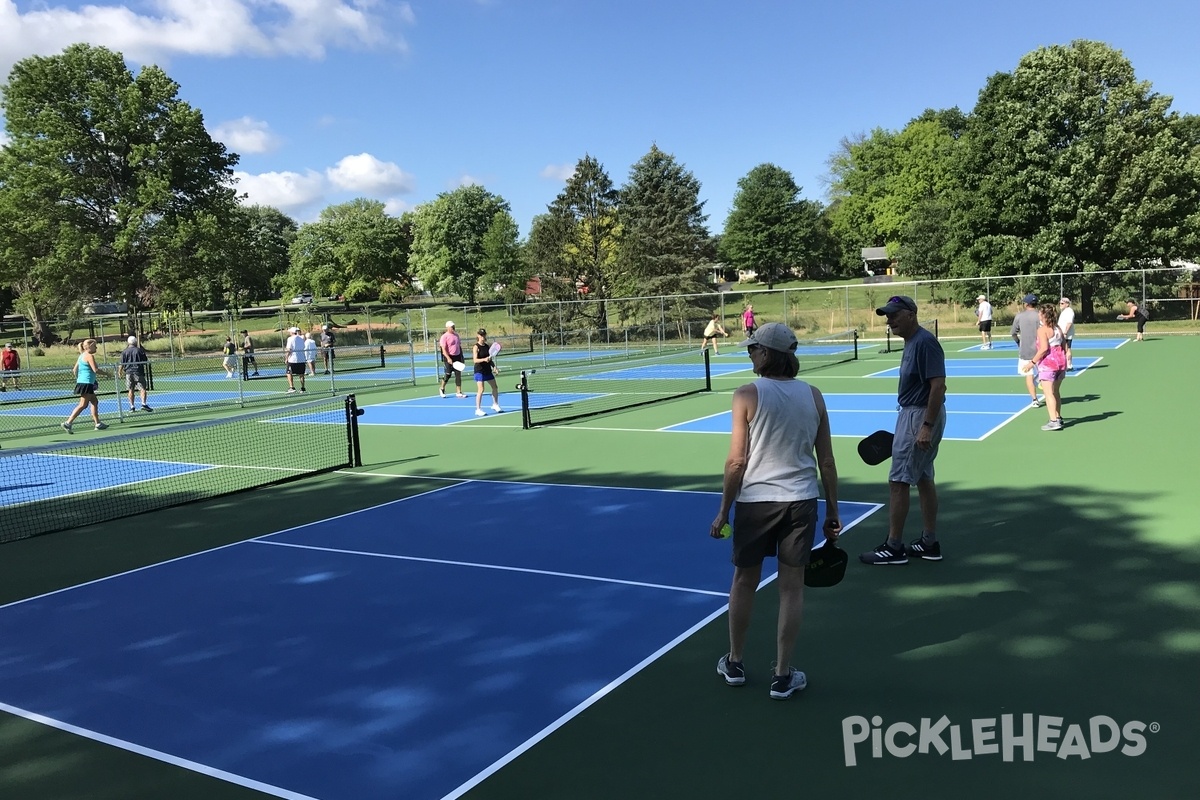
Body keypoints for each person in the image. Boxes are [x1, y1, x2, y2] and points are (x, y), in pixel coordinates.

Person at [709, 322, 840, 699]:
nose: (750, 354)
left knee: (744, 582)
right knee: (791, 589)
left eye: (753, 349)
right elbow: (826, 462)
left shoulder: (745, 395)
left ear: (767, 354)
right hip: (801, 502)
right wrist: (832, 509)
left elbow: (736, 462)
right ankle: (782, 675)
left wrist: (722, 512)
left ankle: (734, 662)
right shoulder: (813, 396)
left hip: (756, 504)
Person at [860, 296, 946, 566]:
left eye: (895, 314)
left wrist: (926, 427)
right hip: (913, 415)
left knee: (898, 482)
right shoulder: (912, 342)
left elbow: (938, 386)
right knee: (922, 478)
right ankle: (929, 543)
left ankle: (894, 547)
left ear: (911, 314)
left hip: (919, 416)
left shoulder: (924, 342)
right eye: (888, 315)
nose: (890, 320)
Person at [1030, 303, 1068, 431]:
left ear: (1043, 315)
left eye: (1040, 313)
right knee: (1056, 392)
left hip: (1048, 364)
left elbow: (1044, 348)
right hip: (1060, 363)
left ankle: (1053, 421)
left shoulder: (1042, 330)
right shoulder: (1058, 328)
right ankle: (1058, 417)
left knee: (1048, 393)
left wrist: (1032, 362)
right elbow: (1064, 345)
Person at [62, 339, 107, 433]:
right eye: (95, 346)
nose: (96, 348)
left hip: (85, 383)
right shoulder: (89, 356)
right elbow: (95, 370)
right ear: (89, 346)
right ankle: (68, 423)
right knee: (83, 405)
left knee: (94, 401)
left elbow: (74, 370)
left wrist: (81, 379)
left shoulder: (81, 355)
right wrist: (107, 374)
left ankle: (98, 423)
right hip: (86, 384)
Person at [1011, 294, 1042, 408]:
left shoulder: (1019, 316)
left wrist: (1019, 343)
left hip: (1025, 351)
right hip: (1040, 351)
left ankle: (1034, 399)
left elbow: (1013, 333)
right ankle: (1047, 391)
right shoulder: (1040, 315)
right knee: (1043, 373)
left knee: (1028, 375)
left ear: (1027, 304)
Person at [118, 335, 153, 413]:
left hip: (128, 373)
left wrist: (119, 371)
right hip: (138, 372)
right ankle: (143, 403)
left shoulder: (125, 351)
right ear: (136, 342)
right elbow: (145, 361)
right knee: (142, 388)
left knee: (130, 389)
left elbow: (122, 363)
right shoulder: (139, 350)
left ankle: (132, 406)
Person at [472, 328, 502, 416]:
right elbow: (475, 360)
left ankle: (495, 404)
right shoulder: (476, 347)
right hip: (479, 371)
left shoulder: (487, 346)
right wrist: (484, 359)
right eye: (481, 335)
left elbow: (490, 359)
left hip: (487, 370)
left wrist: (494, 367)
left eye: (484, 335)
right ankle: (478, 409)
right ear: (478, 336)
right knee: (481, 390)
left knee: (495, 387)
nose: (483, 337)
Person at [439, 321, 466, 399]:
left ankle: (458, 392)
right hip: (448, 357)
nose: (453, 327)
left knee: (458, 374)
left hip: (457, 357)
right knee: (448, 374)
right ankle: (442, 388)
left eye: (454, 326)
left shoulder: (456, 335)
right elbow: (443, 350)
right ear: (447, 327)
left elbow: (459, 347)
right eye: (451, 326)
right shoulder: (444, 337)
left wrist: (462, 357)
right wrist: (448, 358)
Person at [284, 327, 306, 393]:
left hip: (292, 359)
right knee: (301, 374)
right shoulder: (301, 338)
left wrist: (286, 358)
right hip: (301, 359)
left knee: (289, 373)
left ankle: (292, 387)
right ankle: (303, 388)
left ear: (292, 332)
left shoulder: (290, 339)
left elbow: (289, 349)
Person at [1057, 297, 1076, 369]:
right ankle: (1064, 364)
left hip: (1066, 335)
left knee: (1067, 349)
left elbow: (1069, 323)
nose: (1060, 305)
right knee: (1062, 349)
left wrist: (1065, 333)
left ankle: (1069, 365)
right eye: (1060, 303)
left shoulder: (1069, 311)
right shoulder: (1064, 311)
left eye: (1062, 303)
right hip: (1061, 334)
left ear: (1067, 304)